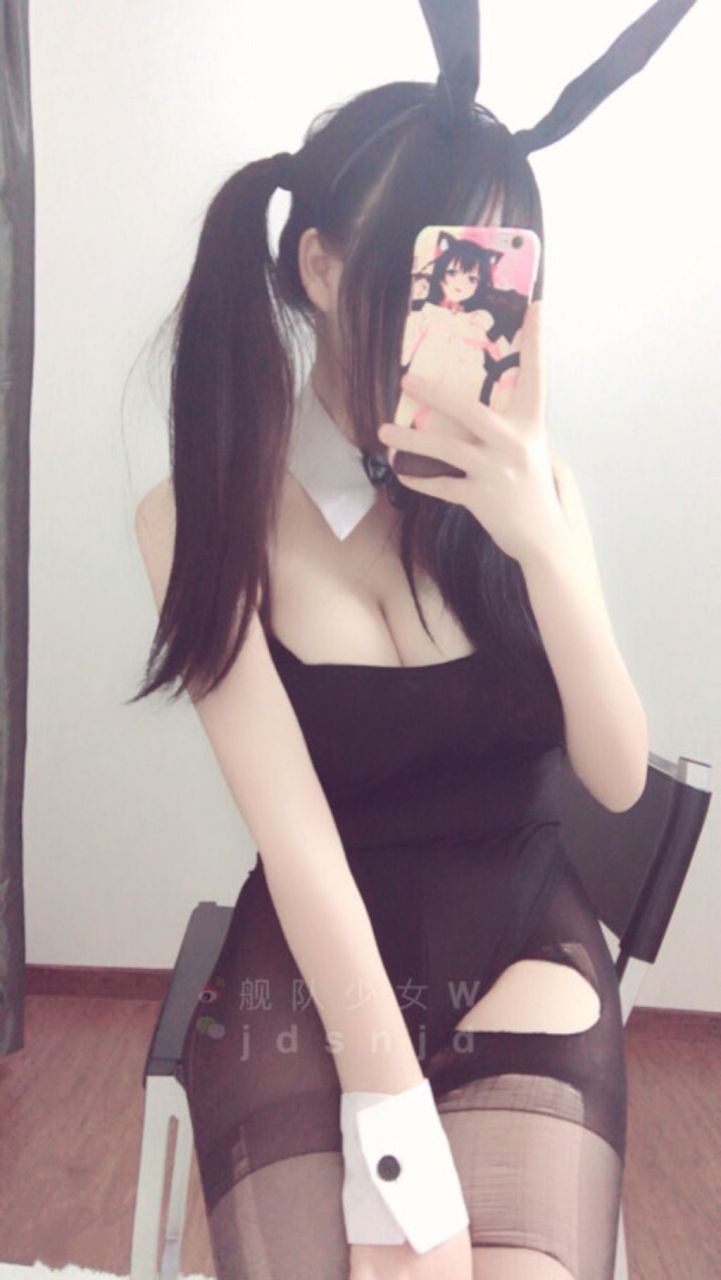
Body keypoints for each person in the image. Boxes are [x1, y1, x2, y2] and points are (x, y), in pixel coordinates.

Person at [130, 2, 696, 1276]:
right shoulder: (199, 515)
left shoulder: (531, 492)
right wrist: (397, 1152)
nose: (478, 314)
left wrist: (539, 535)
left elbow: (614, 777)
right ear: (324, 269)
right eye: (450, 269)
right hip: (306, 973)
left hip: (521, 943)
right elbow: (299, 844)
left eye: (503, 273)